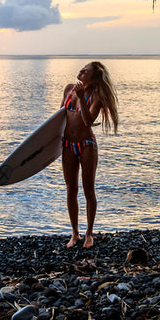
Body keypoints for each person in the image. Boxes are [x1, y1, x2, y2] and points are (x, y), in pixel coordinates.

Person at [61, 61, 118, 248]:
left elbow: (87, 121)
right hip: (68, 145)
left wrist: (81, 97)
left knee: (88, 190)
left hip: (86, 145)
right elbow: (60, 117)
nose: (81, 71)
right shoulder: (69, 89)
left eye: (86, 71)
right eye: (82, 68)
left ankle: (89, 234)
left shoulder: (96, 96)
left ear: (93, 79)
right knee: (71, 189)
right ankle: (75, 233)